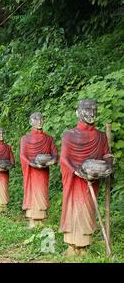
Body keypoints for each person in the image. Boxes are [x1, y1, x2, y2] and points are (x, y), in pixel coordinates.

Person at [60, 99, 113, 256]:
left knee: (87, 210)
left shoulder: (101, 136)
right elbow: (64, 158)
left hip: (93, 179)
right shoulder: (69, 135)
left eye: (94, 109)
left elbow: (106, 155)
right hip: (75, 180)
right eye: (87, 109)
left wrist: (108, 165)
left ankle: (83, 247)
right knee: (72, 209)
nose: (91, 113)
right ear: (78, 112)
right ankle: (71, 246)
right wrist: (77, 171)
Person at [20, 112, 58, 228]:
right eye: (36, 119)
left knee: (42, 192)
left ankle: (41, 220)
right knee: (32, 192)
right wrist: (32, 163)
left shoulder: (49, 138)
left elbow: (55, 154)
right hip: (31, 171)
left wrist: (52, 161)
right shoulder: (25, 139)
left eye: (41, 119)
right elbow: (22, 155)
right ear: (31, 122)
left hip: (43, 171)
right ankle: (32, 219)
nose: (39, 121)